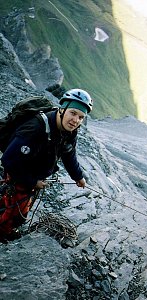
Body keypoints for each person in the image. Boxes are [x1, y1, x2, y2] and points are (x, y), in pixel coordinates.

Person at [0, 88, 93, 243]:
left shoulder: (69, 132)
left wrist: (78, 177)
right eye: (73, 113)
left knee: (19, 205)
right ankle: (3, 233)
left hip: (34, 175)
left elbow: (69, 154)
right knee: (16, 209)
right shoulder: (35, 127)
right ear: (62, 109)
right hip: (19, 173)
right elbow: (9, 160)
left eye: (81, 117)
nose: (76, 120)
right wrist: (33, 182)